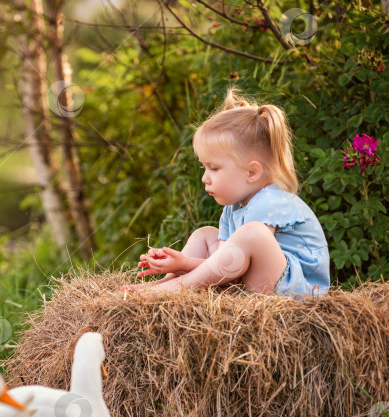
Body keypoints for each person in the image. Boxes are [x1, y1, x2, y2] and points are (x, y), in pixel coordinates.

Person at [122, 88, 330, 298]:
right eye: (204, 167)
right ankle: (168, 283)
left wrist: (185, 264)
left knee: (253, 233)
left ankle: (174, 289)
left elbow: (234, 270)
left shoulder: (270, 201)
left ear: (251, 172)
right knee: (204, 234)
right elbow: (226, 263)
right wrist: (177, 264)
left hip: (296, 291)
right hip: (257, 279)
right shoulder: (234, 206)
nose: (205, 177)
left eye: (214, 168)